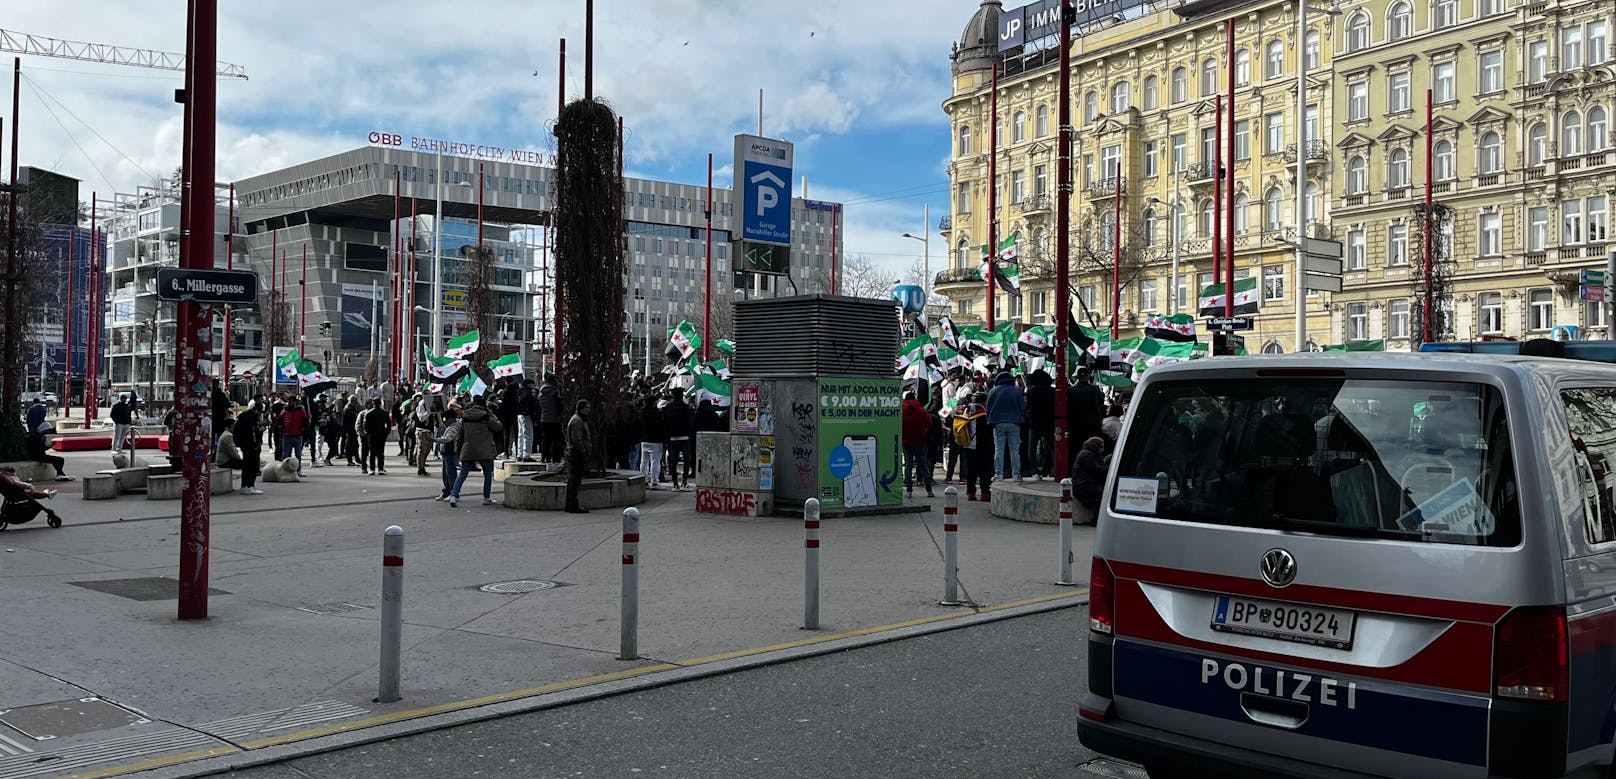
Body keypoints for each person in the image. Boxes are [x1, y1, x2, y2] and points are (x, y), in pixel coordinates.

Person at [446, 396, 503, 507]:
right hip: (484, 448)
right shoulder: (486, 416)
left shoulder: (465, 416)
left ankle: (454, 495)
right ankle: (486, 498)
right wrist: (491, 414)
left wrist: (459, 450)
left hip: (468, 448)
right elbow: (498, 427)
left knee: (463, 474)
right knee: (487, 475)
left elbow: (461, 435)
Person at [985, 371, 1027, 482]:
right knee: (1014, 450)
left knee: (999, 450)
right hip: (1014, 423)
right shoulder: (1017, 391)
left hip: (998, 423)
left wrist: (989, 420)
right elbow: (1023, 408)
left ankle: (999, 474)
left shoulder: (993, 391)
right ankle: (1016, 474)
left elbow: (988, 408)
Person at [900, 391, 936, 498]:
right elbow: (929, 424)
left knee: (908, 465)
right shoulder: (921, 410)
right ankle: (929, 490)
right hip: (920, 441)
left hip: (906, 442)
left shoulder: (901, 410)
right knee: (924, 466)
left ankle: (909, 491)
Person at [960, 392, 993, 501]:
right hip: (982, 446)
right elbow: (988, 432)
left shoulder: (966, 411)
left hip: (968, 445)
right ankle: (984, 493)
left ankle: (971, 493)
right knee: (984, 470)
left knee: (971, 470)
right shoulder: (983, 413)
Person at [1025, 369, 1055, 480]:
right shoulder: (1052, 391)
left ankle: (1035, 471)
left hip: (1035, 423)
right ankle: (1054, 468)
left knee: (1032, 448)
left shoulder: (1031, 391)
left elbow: (1028, 407)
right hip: (1049, 422)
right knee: (1052, 447)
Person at [564, 399, 593, 513]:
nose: (588, 410)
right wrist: (583, 451)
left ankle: (570, 504)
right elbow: (576, 439)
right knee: (574, 480)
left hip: (576, 453)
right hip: (576, 454)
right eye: (587, 407)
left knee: (574, 480)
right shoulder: (577, 421)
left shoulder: (580, 420)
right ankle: (572, 505)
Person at [1072, 435, 1107, 524]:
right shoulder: (1087, 455)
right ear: (1096, 446)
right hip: (1083, 487)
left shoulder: (1089, 454)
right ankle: (1096, 520)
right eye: (1101, 447)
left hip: (1086, 485)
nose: (1103, 449)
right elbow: (1097, 470)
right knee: (1105, 495)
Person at [661, 392, 693, 490]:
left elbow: (664, 422)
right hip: (685, 437)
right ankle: (684, 482)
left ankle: (675, 483)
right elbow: (690, 421)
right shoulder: (686, 408)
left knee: (673, 462)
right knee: (686, 460)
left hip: (672, 438)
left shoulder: (668, 408)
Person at [433, 407, 463, 502]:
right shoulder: (454, 425)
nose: (445, 421)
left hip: (450, 452)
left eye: (446, 418)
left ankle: (453, 493)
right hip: (447, 452)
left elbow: (447, 439)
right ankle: (447, 491)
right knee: (446, 474)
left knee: (450, 474)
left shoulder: (453, 428)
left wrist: (435, 440)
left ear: (451, 418)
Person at [235, 401, 264, 495]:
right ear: (257, 410)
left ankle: (244, 486)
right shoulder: (251, 418)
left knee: (246, 466)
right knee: (253, 466)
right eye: (260, 412)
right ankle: (250, 486)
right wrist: (255, 444)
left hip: (244, 445)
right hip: (251, 446)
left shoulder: (243, 416)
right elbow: (252, 433)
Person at [639, 393, 666, 489]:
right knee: (655, 461)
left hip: (644, 439)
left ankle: (644, 480)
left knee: (644, 461)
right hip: (656, 439)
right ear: (654, 402)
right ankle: (654, 481)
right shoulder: (658, 413)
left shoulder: (641, 412)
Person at [280, 397, 312, 475]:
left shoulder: (301, 411)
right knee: (286, 455)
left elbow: (305, 422)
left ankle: (298, 470)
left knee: (298, 454)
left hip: (297, 435)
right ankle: (284, 470)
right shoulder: (285, 410)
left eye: (291, 402)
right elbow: (280, 420)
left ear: (295, 402)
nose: (289, 403)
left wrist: (308, 420)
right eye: (288, 402)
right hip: (287, 435)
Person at [537, 373, 563, 464]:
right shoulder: (555, 392)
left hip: (544, 418)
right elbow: (559, 405)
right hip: (555, 418)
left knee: (546, 439)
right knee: (556, 440)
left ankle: (545, 457)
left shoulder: (541, 392)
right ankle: (556, 458)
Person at [362, 397, 392, 475]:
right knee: (381, 452)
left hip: (372, 435)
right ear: (380, 403)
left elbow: (365, 425)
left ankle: (372, 469)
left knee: (372, 452)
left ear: (373, 403)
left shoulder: (369, 413)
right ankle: (380, 468)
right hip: (381, 434)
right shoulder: (385, 413)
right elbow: (389, 425)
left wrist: (367, 433)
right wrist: (386, 433)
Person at [414, 393, 439, 476]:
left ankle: (423, 466)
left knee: (427, 450)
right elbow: (421, 418)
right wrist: (429, 412)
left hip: (429, 430)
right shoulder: (422, 404)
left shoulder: (431, 403)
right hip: (422, 430)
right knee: (421, 451)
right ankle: (420, 468)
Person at [341, 395, 361, 466]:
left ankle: (357, 459)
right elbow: (351, 420)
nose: (357, 402)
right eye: (356, 401)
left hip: (351, 429)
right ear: (353, 401)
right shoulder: (349, 408)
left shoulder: (351, 407)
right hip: (350, 429)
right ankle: (350, 460)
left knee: (355, 445)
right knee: (351, 445)